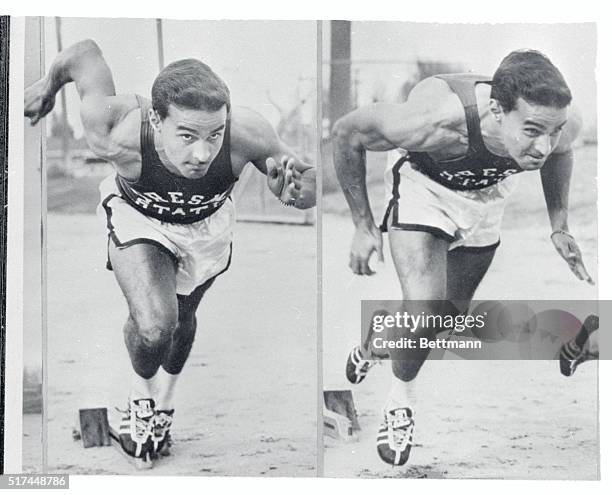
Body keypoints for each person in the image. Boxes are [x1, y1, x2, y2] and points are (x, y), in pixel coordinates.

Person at [25, 39, 316, 462]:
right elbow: (83, 54)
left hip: (205, 228)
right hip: (138, 215)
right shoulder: (115, 128)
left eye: (214, 135)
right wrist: (48, 87)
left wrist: (293, 192)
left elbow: (306, 187)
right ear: (157, 121)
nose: (202, 153)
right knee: (155, 324)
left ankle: (164, 402)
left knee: (183, 320)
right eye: (187, 135)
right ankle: (139, 399)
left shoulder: (248, 133)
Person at [332, 49, 593, 467]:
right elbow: (346, 134)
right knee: (427, 311)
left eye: (554, 130)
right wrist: (363, 225)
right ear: (496, 110)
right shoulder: (434, 121)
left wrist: (559, 225)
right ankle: (401, 401)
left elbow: (560, 154)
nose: (543, 145)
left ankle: (376, 339)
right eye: (531, 131)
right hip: (424, 187)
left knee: (447, 317)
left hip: (486, 199)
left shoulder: (559, 125)